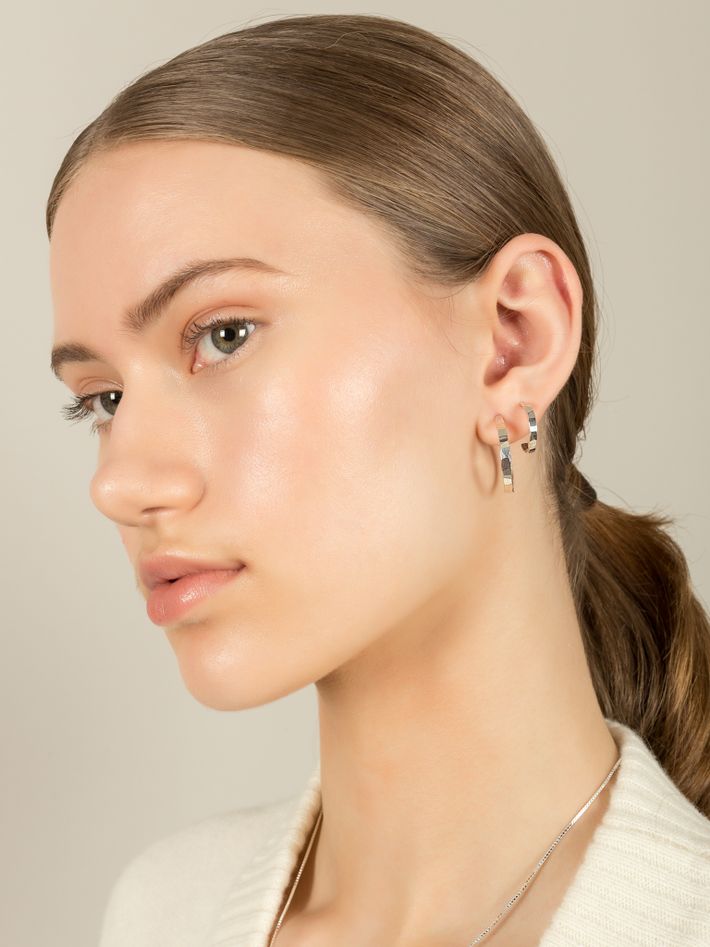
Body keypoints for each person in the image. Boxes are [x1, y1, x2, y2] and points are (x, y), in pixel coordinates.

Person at [46, 13, 710, 947]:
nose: (120, 483)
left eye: (224, 335)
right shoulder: (164, 911)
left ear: (515, 339)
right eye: (104, 398)